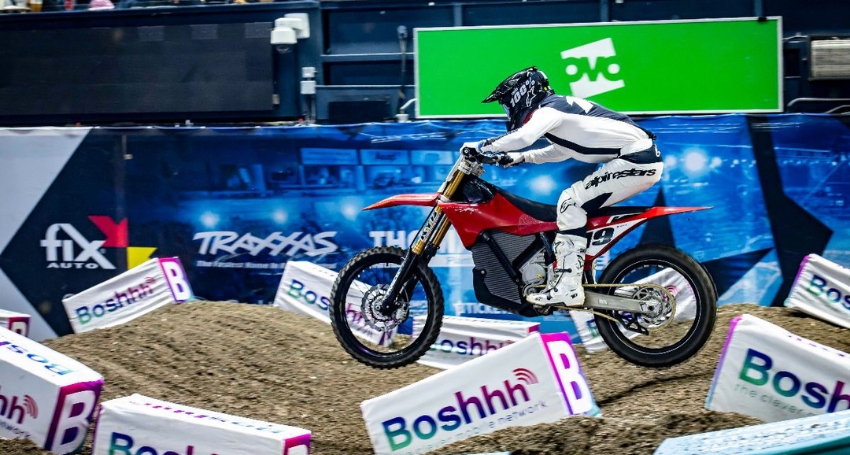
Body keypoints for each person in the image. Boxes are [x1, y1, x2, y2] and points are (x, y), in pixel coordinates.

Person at [463, 66, 663, 308]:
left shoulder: (548, 109)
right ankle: (576, 276)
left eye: (507, 103)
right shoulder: (558, 110)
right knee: (574, 205)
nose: (507, 110)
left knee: (571, 202)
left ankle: (568, 287)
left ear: (521, 94)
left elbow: (523, 138)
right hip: (639, 158)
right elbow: (560, 151)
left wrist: (482, 145)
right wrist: (520, 158)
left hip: (636, 159)